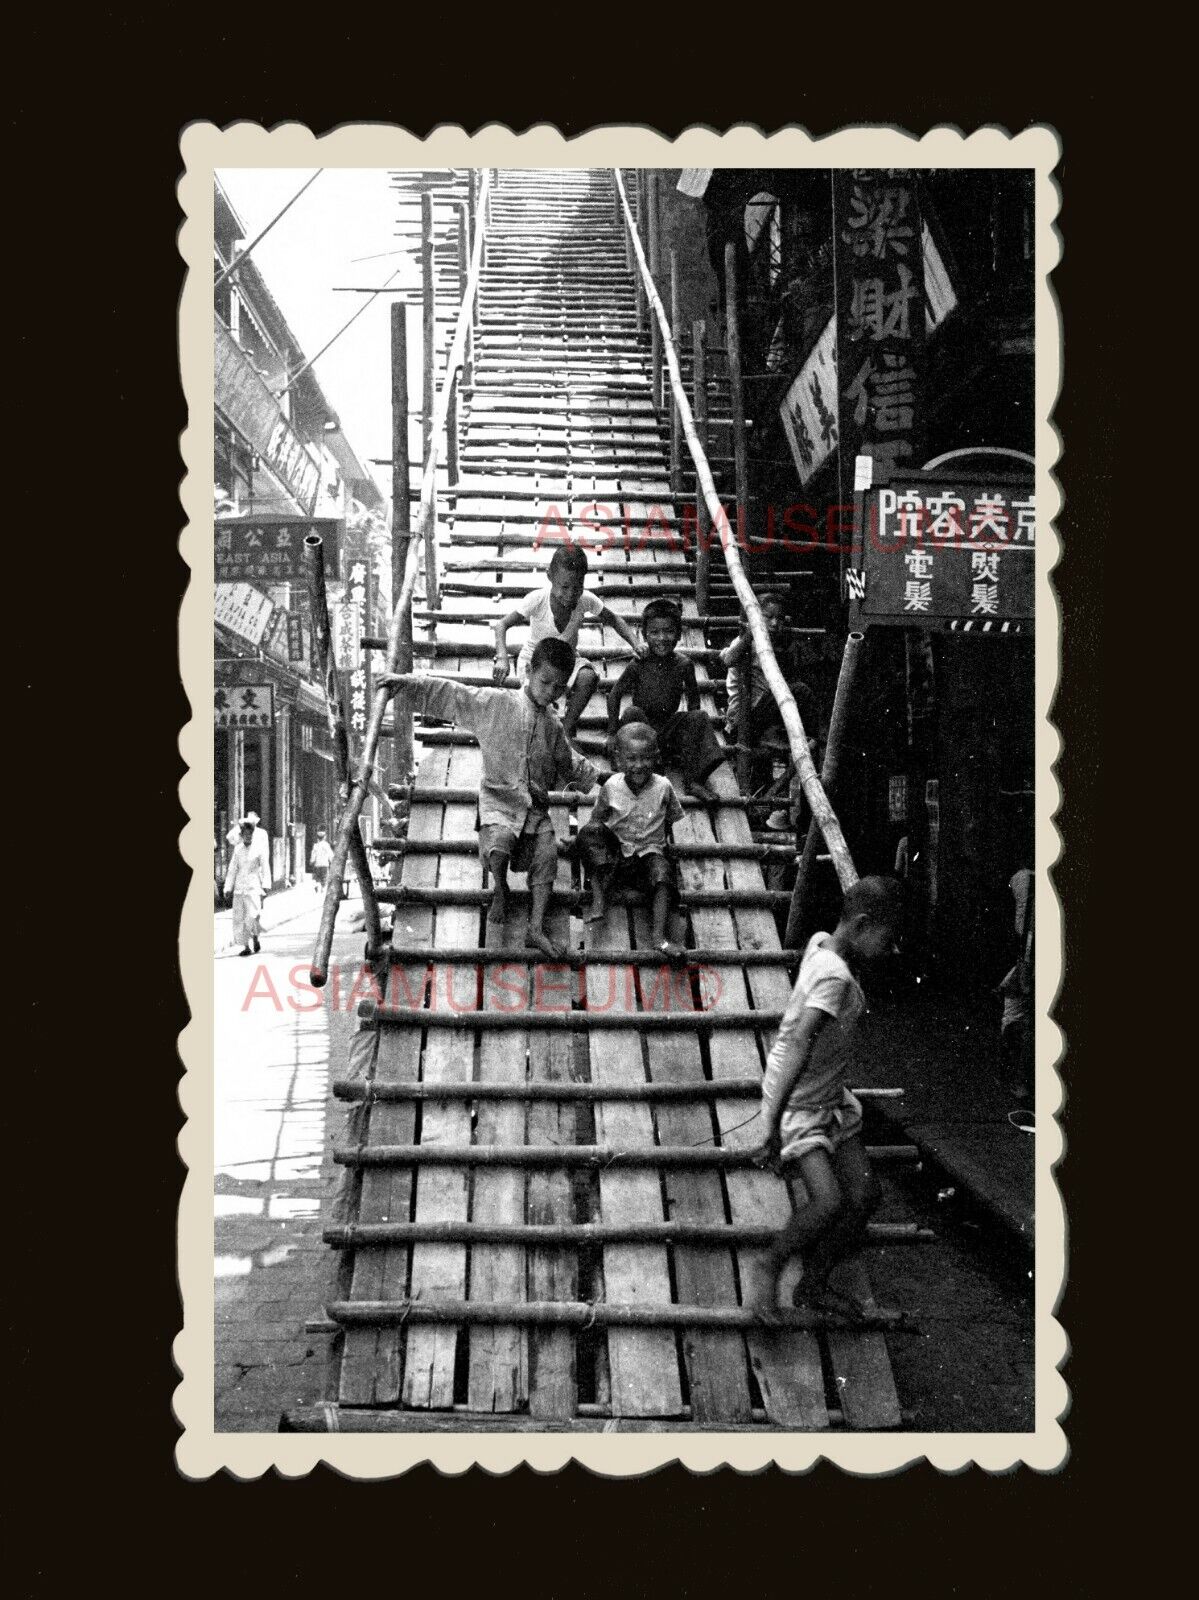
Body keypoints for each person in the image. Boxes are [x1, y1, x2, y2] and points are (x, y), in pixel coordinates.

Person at [745, 875, 903, 1321]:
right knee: (828, 1200)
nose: (892, 951)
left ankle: (814, 1284)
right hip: (798, 1101)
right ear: (863, 923)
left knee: (865, 1193)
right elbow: (800, 1044)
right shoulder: (834, 977)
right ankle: (770, 1265)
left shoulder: (822, 943)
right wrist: (772, 1127)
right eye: (887, 939)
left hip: (827, 1095)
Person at [380, 637, 598, 960]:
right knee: (497, 847)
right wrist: (407, 683)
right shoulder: (497, 704)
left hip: (533, 810)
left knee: (548, 855)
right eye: (545, 682)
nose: (550, 692)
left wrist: (589, 779)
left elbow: (568, 762)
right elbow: (454, 696)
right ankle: (500, 886)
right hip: (497, 801)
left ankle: (534, 927)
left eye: (558, 687)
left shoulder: (552, 725)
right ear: (528, 671)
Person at [491, 544, 645, 743]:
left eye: (577, 586)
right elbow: (501, 625)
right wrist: (502, 658)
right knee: (541, 697)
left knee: (588, 677)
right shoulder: (537, 600)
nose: (571, 594)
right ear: (550, 577)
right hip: (537, 659)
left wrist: (636, 643)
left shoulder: (585, 600)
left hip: (567, 659)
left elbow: (614, 620)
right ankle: (541, 732)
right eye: (564, 587)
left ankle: (567, 729)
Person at [605, 598, 730, 805]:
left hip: (668, 731)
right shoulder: (639, 663)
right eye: (654, 633)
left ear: (679, 634)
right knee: (632, 712)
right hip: (641, 732)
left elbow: (694, 703)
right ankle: (648, 767)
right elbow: (615, 694)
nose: (662, 638)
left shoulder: (684, 664)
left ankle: (694, 780)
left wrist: (691, 741)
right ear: (644, 635)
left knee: (699, 717)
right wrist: (611, 733)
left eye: (669, 632)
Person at [577, 722, 686, 959]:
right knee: (589, 833)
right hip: (617, 856)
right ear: (618, 760)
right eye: (631, 759)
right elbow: (598, 818)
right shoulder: (612, 786)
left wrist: (660, 846)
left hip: (648, 854)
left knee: (663, 874)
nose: (639, 765)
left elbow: (669, 820)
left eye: (645, 758)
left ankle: (659, 938)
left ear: (656, 758)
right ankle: (598, 898)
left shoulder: (663, 787)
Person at [224, 817, 270, 957]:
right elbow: (232, 870)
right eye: (245, 834)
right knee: (240, 918)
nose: (247, 836)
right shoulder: (238, 850)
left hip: (253, 887)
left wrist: (266, 885)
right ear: (241, 835)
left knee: (252, 916)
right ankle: (246, 946)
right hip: (239, 888)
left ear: (253, 834)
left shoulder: (259, 849)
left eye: (250, 834)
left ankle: (255, 936)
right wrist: (228, 888)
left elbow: (265, 867)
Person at [309, 827, 334, 894]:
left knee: (317, 877)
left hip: (317, 864)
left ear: (317, 838)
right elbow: (330, 854)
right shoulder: (326, 845)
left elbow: (313, 854)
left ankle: (317, 885)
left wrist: (312, 861)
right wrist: (331, 861)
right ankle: (323, 888)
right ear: (324, 837)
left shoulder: (315, 846)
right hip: (325, 864)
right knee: (324, 878)